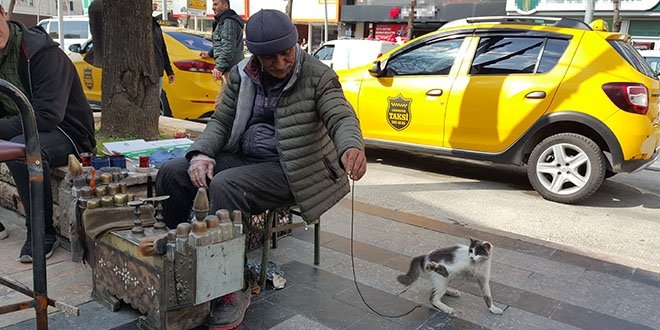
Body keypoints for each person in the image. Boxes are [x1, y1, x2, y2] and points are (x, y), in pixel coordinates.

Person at [156, 9, 367, 329]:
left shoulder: (318, 75)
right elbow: (222, 121)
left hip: (293, 167)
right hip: (246, 157)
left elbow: (341, 115)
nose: (280, 64)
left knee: (226, 185)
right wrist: (200, 153)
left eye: (286, 54)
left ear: (296, 45)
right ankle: (183, 255)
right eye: (270, 58)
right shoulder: (242, 75)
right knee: (174, 171)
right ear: (256, 56)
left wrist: (351, 146)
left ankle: (229, 286)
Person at [0, 5, 96, 262]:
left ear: (2, 13)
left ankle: (41, 233)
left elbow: (47, 115)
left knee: (25, 147)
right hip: (23, 128)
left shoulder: (41, 53)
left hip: (69, 133)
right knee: (19, 140)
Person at [199, 0, 244, 106]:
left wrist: (219, 67)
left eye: (216, 4)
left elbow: (228, 47)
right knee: (229, 105)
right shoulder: (224, 21)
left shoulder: (228, 22)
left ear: (225, 5)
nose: (213, 8)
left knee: (221, 105)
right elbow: (221, 43)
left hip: (230, 70)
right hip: (230, 69)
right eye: (213, 5)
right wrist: (210, 54)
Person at [152, 3, 175, 94]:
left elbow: (162, 49)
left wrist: (169, 70)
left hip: (157, 70)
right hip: (145, 71)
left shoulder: (156, 26)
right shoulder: (142, 25)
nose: (155, 5)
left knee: (155, 99)